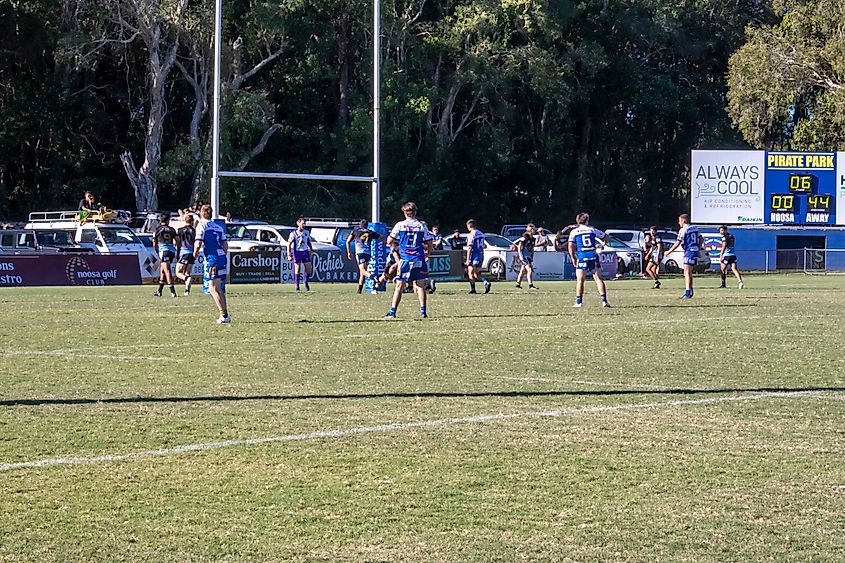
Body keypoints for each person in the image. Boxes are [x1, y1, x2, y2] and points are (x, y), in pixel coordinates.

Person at [384, 202, 434, 319]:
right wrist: (428, 253)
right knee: (420, 285)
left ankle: (392, 312)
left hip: (405, 259)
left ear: (404, 213)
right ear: (415, 212)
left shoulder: (400, 225)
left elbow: (389, 240)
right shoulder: (421, 226)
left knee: (399, 285)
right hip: (418, 257)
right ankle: (423, 312)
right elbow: (430, 242)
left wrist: (395, 245)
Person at [194, 204, 230, 323]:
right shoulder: (218, 227)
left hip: (212, 258)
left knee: (212, 288)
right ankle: (225, 314)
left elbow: (198, 243)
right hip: (222, 258)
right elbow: (225, 245)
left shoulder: (202, 225)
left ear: (201, 213)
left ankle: (223, 315)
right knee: (219, 289)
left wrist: (194, 254)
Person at [568, 212, 610, 308]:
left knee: (580, 280)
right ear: (587, 221)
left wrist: (573, 257)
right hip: (593, 256)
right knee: (598, 279)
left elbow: (570, 246)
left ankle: (579, 302)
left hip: (582, 256)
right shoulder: (592, 229)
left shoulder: (574, 231)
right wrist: (603, 245)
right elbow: (606, 237)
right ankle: (604, 301)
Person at [664, 213, 703, 299]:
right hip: (694, 251)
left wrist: (669, 251)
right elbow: (701, 238)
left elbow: (678, 242)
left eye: (679, 221)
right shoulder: (695, 228)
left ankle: (687, 292)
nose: (679, 223)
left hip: (689, 251)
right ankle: (690, 290)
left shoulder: (683, 230)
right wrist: (698, 248)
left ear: (683, 221)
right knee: (689, 272)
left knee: (686, 272)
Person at [346, 219, 378, 294]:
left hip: (360, 252)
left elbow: (348, 241)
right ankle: (359, 291)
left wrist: (349, 252)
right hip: (368, 253)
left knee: (363, 270)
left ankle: (374, 278)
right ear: (367, 225)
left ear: (360, 225)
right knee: (362, 272)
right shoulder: (370, 232)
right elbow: (382, 239)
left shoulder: (355, 231)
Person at [152, 216, 179, 298]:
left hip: (164, 251)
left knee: (167, 271)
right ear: (167, 221)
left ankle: (173, 292)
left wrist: (157, 251)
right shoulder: (172, 229)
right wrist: (178, 250)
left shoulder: (157, 229)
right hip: (171, 251)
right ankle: (159, 291)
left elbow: (154, 242)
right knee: (163, 271)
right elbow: (177, 240)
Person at [288, 217, 315, 291]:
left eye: (304, 223)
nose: (304, 225)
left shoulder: (306, 232)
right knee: (298, 269)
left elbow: (308, 241)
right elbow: (289, 244)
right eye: (303, 223)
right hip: (297, 252)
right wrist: (289, 254)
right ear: (298, 223)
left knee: (309, 269)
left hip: (305, 251)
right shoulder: (293, 233)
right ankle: (297, 286)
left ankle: (305, 281)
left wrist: (311, 249)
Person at [465, 219, 491, 294]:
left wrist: (467, 259)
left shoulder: (471, 234)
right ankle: (485, 282)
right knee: (476, 273)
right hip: (481, 255)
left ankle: (473, 289)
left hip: (474, 255)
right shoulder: (481, 233)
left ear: (469, 226)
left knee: (470, 272)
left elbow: (470, 247)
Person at [175, 211, 196, 295]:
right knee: (188, 272)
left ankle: (186, 279)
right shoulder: (194, 231)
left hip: (184, 252)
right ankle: (187, 291)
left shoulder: (180, 230)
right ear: (192, 221)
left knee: (178, 272)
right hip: (192, 253)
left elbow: (176, 241)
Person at [718, 225, 744, 289]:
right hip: (733, 255)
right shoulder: (731, 236)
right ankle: (740, 281)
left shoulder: (724, 237)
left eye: (722, 230)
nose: (720, 232)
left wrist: (721, 255)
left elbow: (724, 246)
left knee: (723, 269)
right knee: (734, 269)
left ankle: (723, 284)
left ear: (725, 230)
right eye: (720, 230)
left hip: (726, 255)